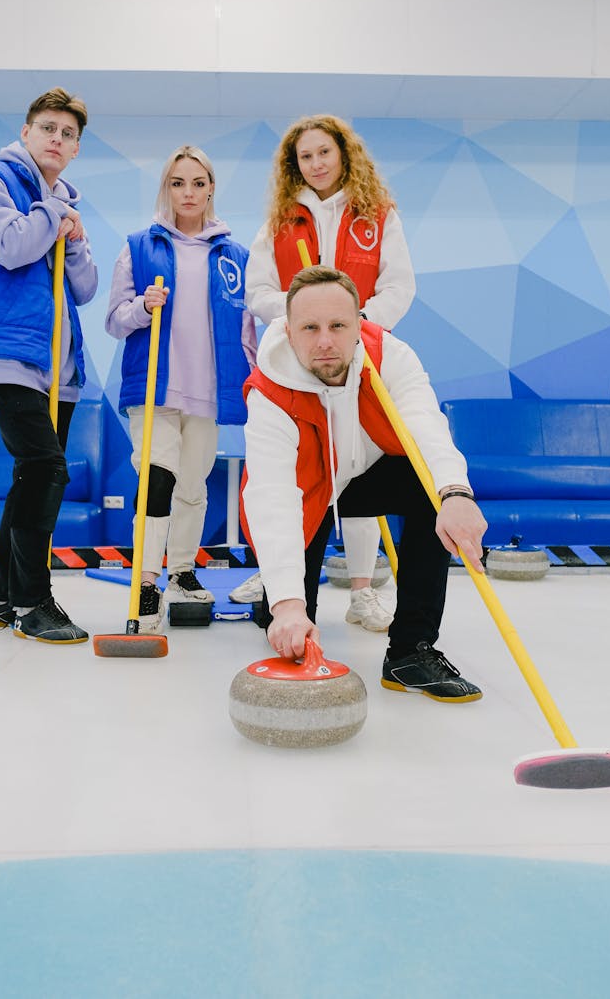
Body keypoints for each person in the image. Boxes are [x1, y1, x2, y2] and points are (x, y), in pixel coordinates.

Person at [241, 266, 487, 702]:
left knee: (429, 486)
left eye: (338, 325)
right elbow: (274, 497)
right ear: (288, 330)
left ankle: (411, 652)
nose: (325, 341)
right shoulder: (269, 391)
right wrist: (287, 607)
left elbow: (427, 428)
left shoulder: (391, 356)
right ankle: (275, 598)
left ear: (359, 324)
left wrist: (456, 493)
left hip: (367, 472)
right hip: (306, 489)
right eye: (310, 327)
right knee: (291, 620)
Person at [239, 114, 416, 632]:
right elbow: (259, 292)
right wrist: (301, 322)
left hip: (362, 359)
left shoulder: (377, 215)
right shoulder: (279, 221)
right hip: (298, 366)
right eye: (305, 157)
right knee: (304, 474)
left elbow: (399, 287)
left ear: (344, 153)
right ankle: (284, 584)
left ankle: (362, 590)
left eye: (324, 152)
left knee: (360, 464)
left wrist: (357, 327)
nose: (315, 164)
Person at [0, 87, 98, 644]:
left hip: (57, 367)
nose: (57, 140)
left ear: (76, 148)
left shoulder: (61, 206)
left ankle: (1, 597)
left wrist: (75, 237)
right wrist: (54, 212)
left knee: (29, 477)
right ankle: (34, 602)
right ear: (26, 131)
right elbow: (11, 247)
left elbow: (82, 288)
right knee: (45, 470)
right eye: (48, 129)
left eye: (68, 134)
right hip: (5, 355)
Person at [106, 145, 257, 632]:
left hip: (209, 391)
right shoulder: (138, 245)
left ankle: (183, 571)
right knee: (158, 478)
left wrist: (254, 380)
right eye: (177, 183)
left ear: (211, 187)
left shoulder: (235, 254)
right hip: (154, 389)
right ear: (165, 188)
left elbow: (247, 330)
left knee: (193, 487)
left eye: (197, 183)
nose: (188, 193)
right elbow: (114, 320)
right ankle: (147, 580)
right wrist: (141, 307)